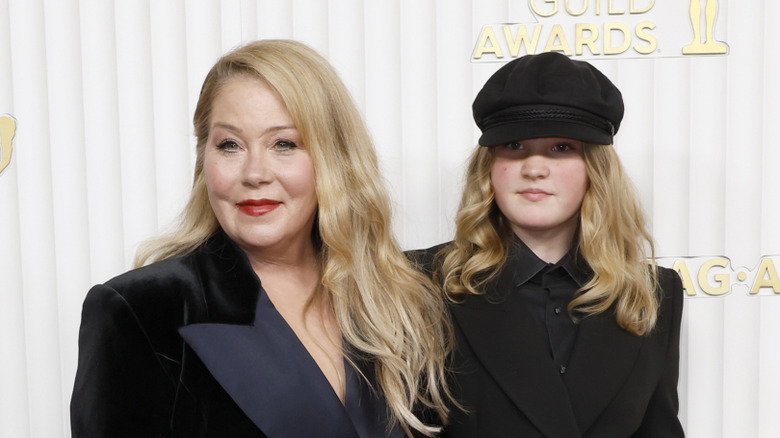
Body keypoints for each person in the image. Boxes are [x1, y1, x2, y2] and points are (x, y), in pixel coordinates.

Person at [71, 39, 452, 438]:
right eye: (230, 145)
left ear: (333, 159)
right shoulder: (141, 311)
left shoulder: (398, 300)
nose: (255, 173)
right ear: (205, 160)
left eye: (283, 144)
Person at [412, 52, 685, 437]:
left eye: (561, 148)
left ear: (596, 169)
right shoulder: (419, 283)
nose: (534, 167)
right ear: (489, 166)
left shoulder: (655, 294)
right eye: (515, 145)